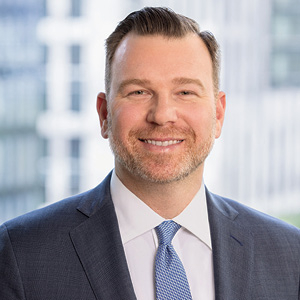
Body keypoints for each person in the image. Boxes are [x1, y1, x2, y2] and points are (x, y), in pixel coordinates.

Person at [0, 7, 299, 300]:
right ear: (104, 114)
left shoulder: (289, 254)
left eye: (185, 92)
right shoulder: (20, 254)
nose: (162, 115)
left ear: (218, 114)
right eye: (139, 92)